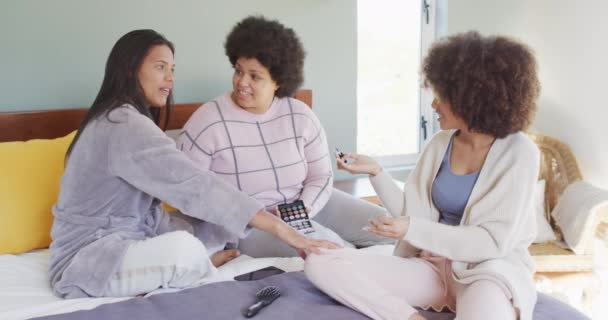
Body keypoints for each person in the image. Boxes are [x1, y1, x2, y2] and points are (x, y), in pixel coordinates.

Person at [48, 29, 338, 299]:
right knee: (185, 248)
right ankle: (197, 268)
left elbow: (151, 211)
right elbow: (197, 186)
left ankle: (195, 263)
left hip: (118, 245)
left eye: (172, 69)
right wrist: (283, 230)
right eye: (160, 67)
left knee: (191, 239)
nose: (170, 78)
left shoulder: (120, 119)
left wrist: (201, 248)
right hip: (86, 263)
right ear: (129, 68)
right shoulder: (123, 125)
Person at [304, 31, 541, 320]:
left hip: (486, 272)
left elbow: (490, 242)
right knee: (320, 262)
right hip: (430, 266)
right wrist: (376, 171)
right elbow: (412, 215)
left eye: (441, 96)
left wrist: (409, 229)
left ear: (472, 99)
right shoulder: (440, 143)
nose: (433, 105)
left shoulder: (520, 152)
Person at [177, 16, 390, 258]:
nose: (242, 82)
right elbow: (189, 194)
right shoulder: (207, 122)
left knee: (391, 230)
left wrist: (304, 209)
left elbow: (321, 175)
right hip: (250, 226)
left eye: (254, 76)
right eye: (238, 71)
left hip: (308, 206)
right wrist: (257, 217)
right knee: (331, 252)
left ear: (278, 81)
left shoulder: (300, 115)